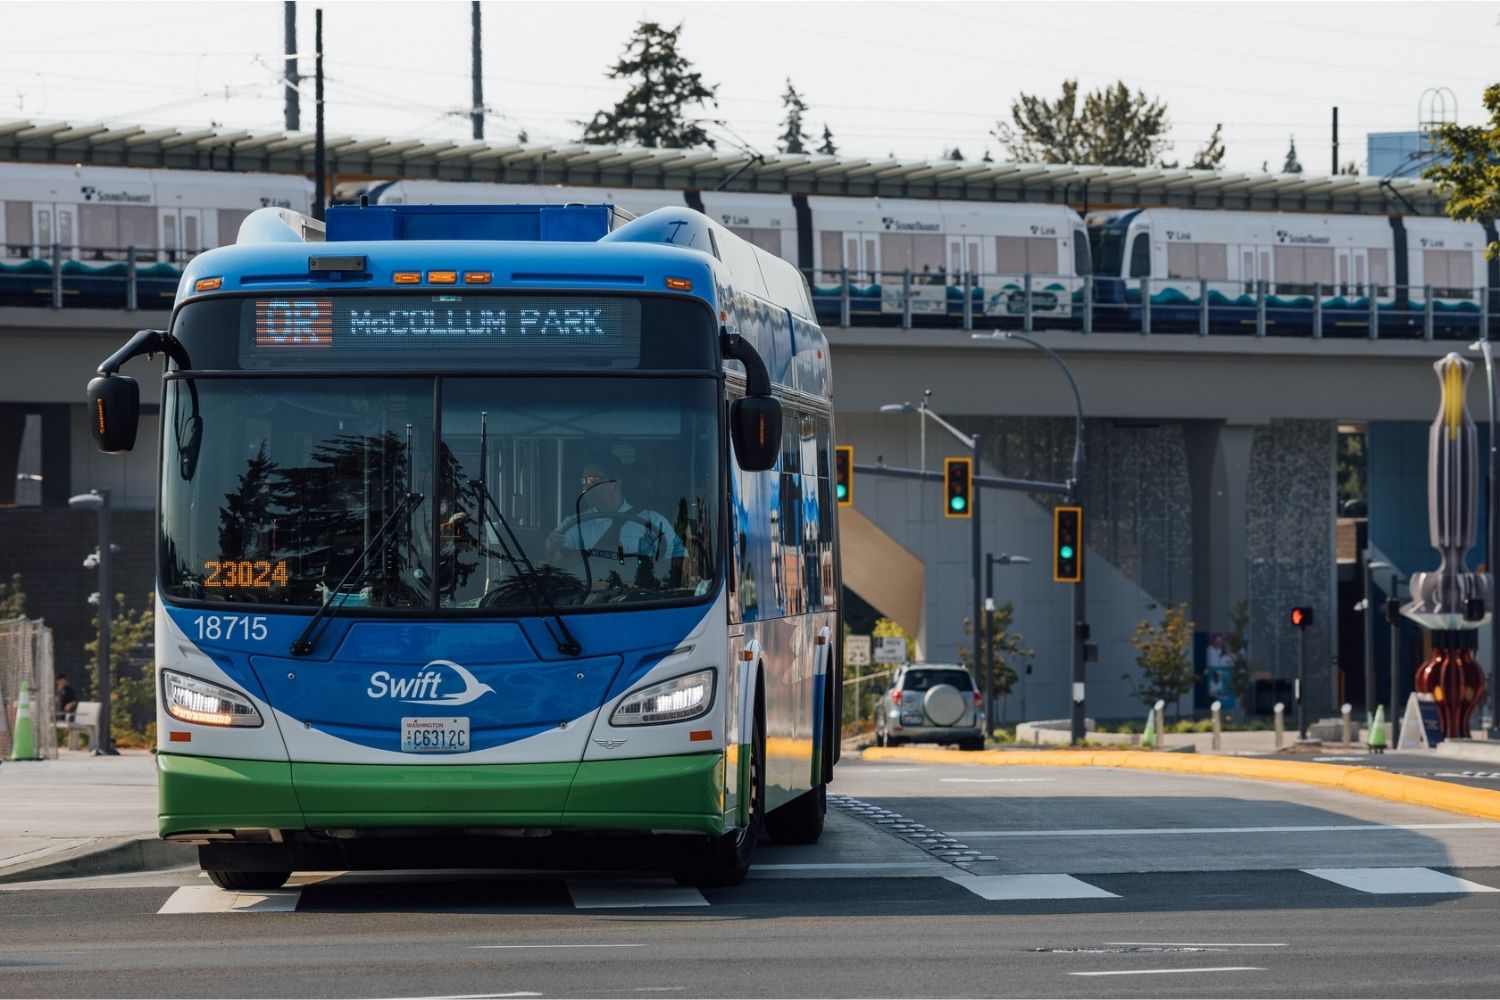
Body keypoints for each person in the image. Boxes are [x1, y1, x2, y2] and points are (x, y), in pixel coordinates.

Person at [544, 458, 685, 587]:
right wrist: (551, 549)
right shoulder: (574, 524)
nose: (586, 487)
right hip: (588, 600)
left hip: (642, 599)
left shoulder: (653, 521)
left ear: (616, 482)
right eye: (583, 481)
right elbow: (557, 565)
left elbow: (679, 564)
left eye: (592, 480)